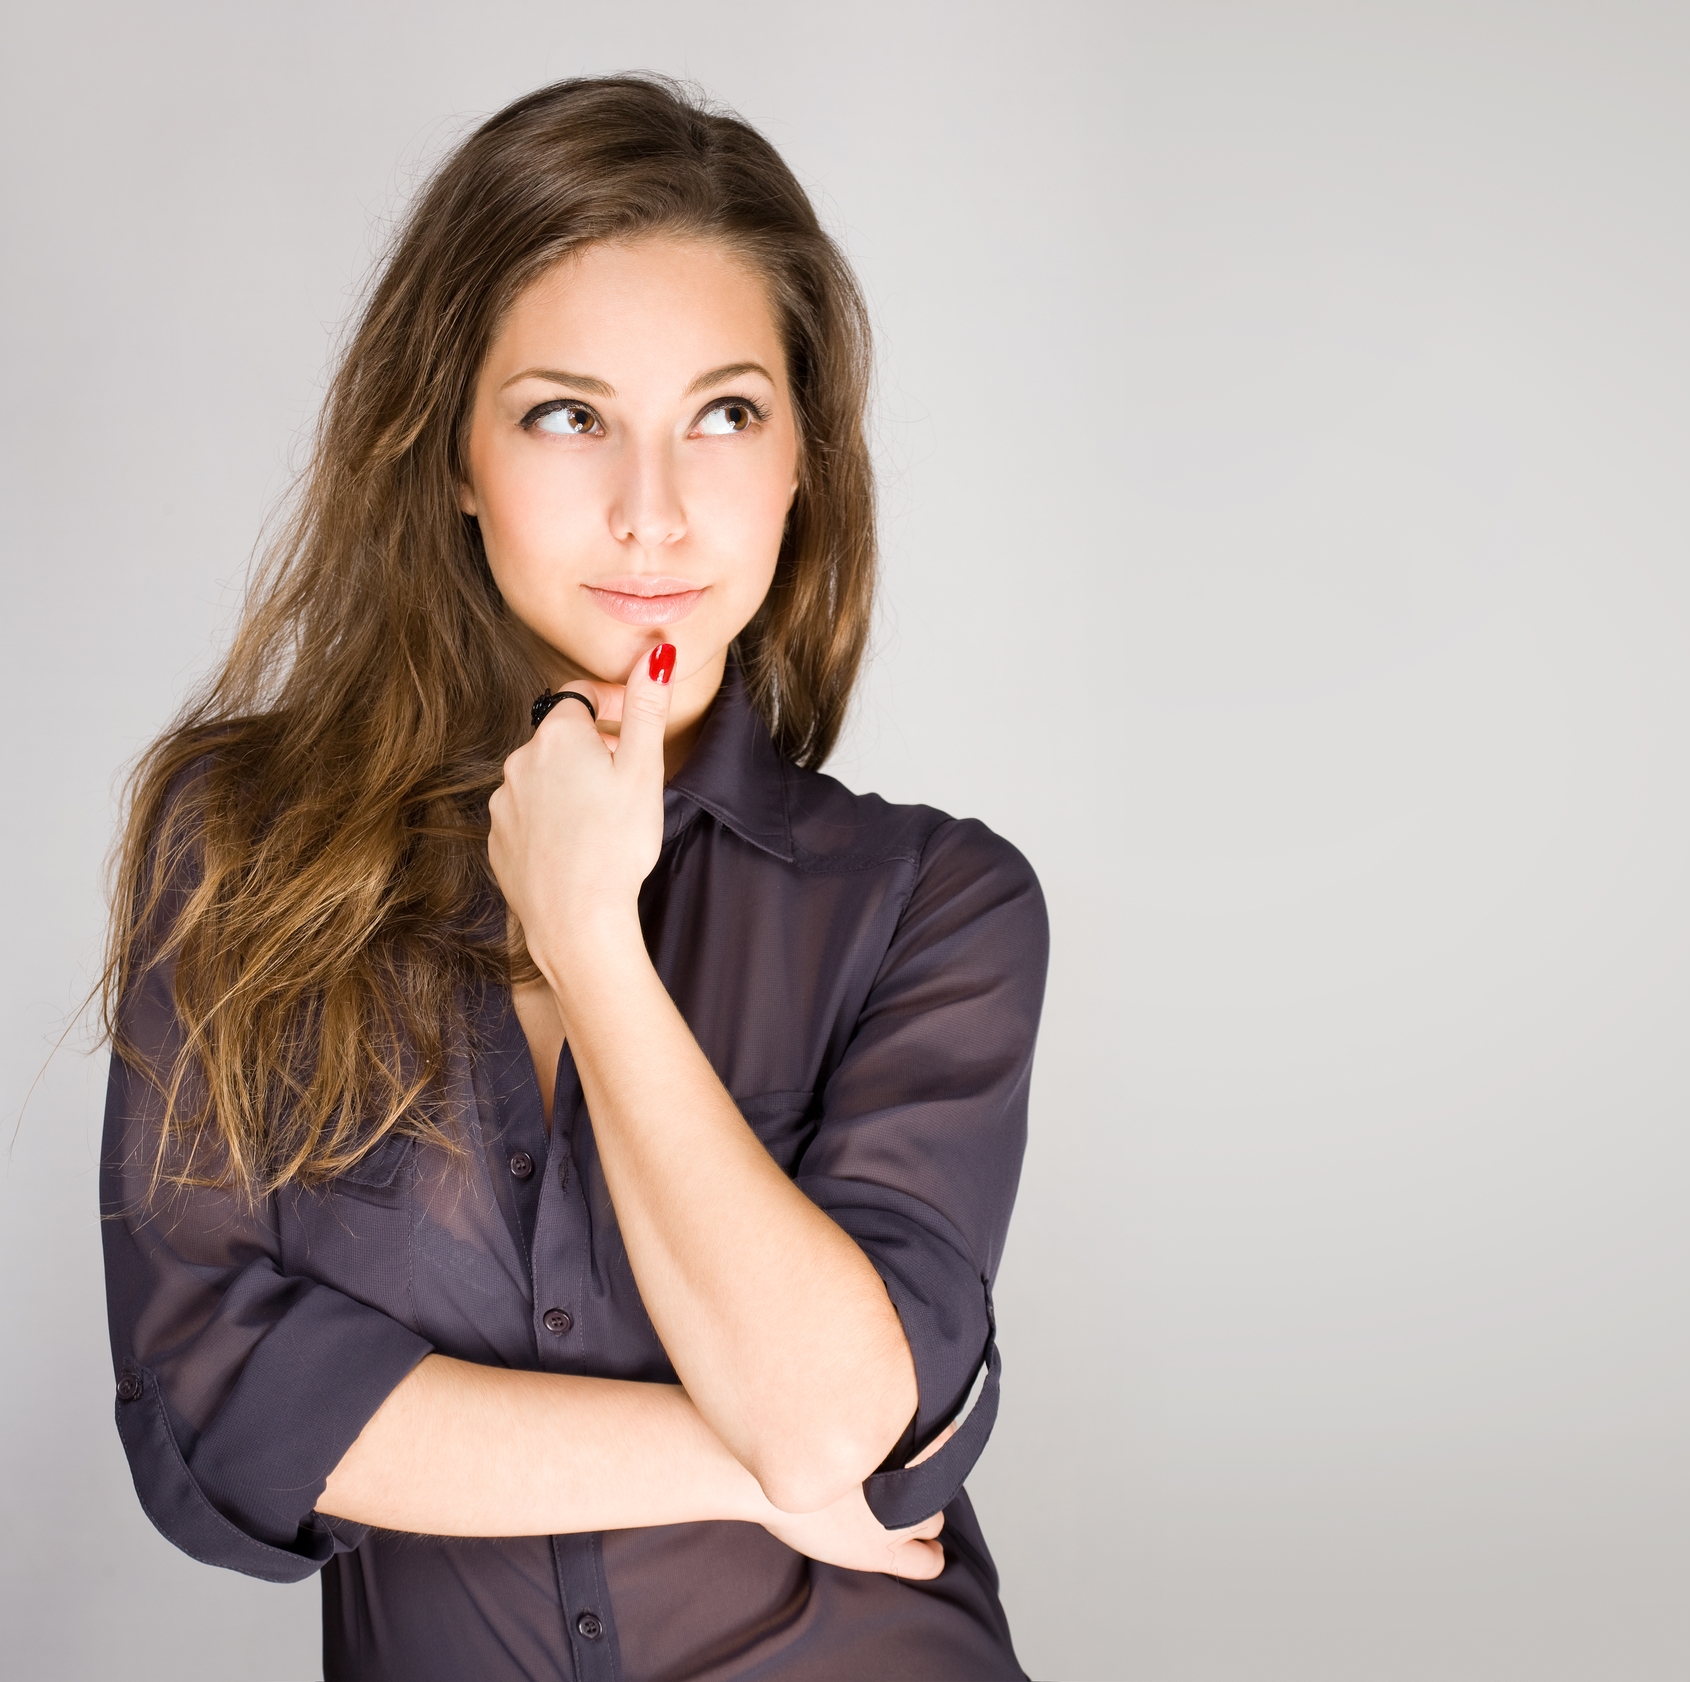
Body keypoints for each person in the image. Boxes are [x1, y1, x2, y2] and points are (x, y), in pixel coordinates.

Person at [98, 74, 1046, 1681]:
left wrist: (592, 937)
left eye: (725, 414)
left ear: (803, 457)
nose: (654, 511)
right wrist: (753, 1463)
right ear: (452, 453)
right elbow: (224, 1406)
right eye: (569, 413)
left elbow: (836, 1404)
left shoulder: (933, 904)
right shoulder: (241, 842)